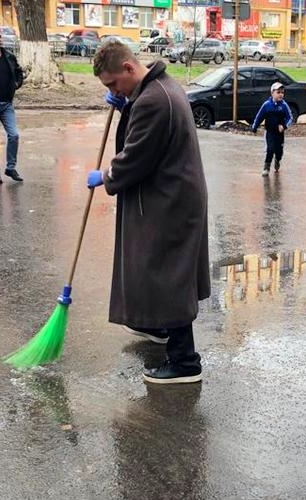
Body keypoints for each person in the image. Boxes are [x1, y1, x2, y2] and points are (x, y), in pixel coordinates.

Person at [89, 41, 210, 384]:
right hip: (170, 194)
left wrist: (107, 176)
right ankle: (158, 325)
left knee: (168, 274)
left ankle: (185, 361)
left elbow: (135, 156)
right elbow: (146, 135)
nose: (114, 91)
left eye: (114, 84)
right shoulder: (158, 88)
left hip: (170, 201)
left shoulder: (153, 101)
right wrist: (126, 106)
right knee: (159, 269)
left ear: (129, 67)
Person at [252, 82, 293, 177]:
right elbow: (259, 116)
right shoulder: (266, 105)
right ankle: (266, 167)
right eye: (278, 92)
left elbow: (290, 118)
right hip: (269, 132)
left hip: (280, 133)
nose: (281, 94)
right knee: (270, 149)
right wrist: (255, 126)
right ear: (272, 93)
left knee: (279, 151)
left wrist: (284, 126)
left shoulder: (284, 105)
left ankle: (278, 160)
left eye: (282, 92)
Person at [0, 30, 24, 184]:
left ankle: (10, 168)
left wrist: (16, 84)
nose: (0, 39)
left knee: (14, 135)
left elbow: (18, 72)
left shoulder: (8, 56)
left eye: (0, 36)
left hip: (6, 104)